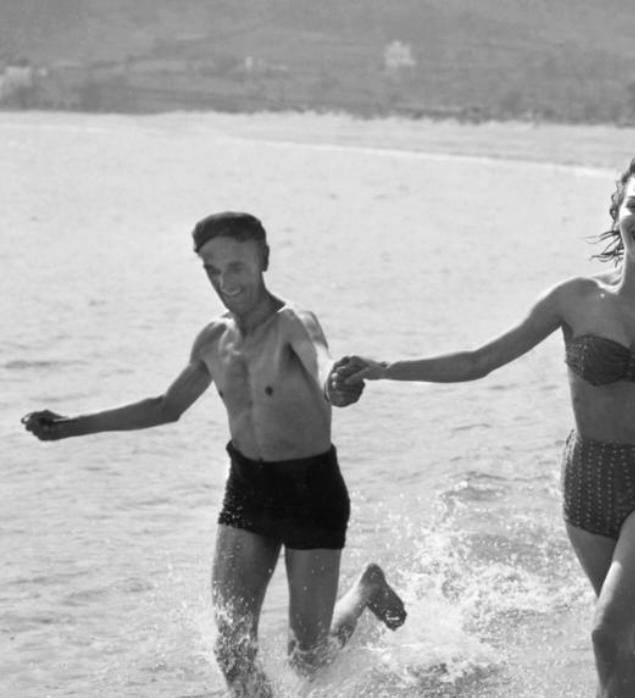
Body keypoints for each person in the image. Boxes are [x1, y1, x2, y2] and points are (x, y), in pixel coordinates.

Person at [331, 146, 635, 698]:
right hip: (590, 477)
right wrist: (386, 369)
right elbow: (481, 360)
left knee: (606, 631)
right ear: (617, 214)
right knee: (630, 627)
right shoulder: (574, 298)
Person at [22, 212, 407, 698]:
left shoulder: (293, 323)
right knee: (231, 649)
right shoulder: (212, 338)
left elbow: (322, 365)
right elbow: (166, 407)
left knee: (308, 660)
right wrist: (71, 427)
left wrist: (337, 385)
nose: (225, 281)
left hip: (312, 492)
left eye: (237, 266)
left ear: (262, 259)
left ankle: (366, 590)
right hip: (248, 491)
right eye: (211, 270)